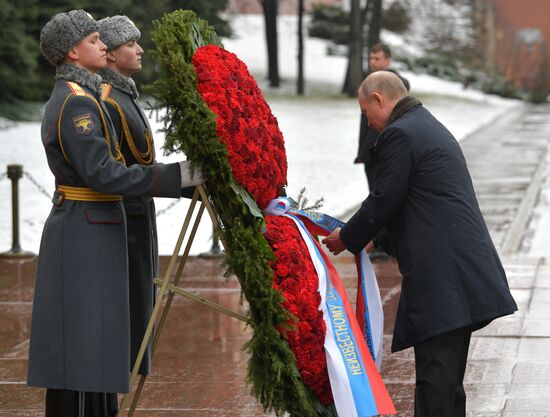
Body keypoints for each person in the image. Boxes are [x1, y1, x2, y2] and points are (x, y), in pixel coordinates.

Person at [27, 10, 204, 417]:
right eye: (93, 40)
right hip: (84, 228)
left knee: (97, 343)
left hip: (95, 227)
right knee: (83, 344)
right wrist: (175, 178)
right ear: (72, 52)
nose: (103, 45)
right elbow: (103, 173)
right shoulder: (75, 104)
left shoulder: (84, 95)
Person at [323, 71, 518, 417]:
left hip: (444, 276)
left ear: (380, 99)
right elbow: (417, 200)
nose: (368, 122)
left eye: (366, 112)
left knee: (436, 383)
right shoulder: (424, 125)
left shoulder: (400, 134)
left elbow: (384, 198)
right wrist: (374, 237)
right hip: (458, 270)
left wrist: (350, 238)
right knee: (447, 382)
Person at [97, 14, 166, 380]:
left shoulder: (123, 94)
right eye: (130, 45)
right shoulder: (108, 99)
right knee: (129, 310)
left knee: (142, 304)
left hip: (141, 212)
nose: (139, 50)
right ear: (109, 54)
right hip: (126, 217)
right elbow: (115, 168)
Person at [356, 43, 409, 259]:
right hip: (370, 151)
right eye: (371, 58)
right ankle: (380, 239)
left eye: (378, 59)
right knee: (376, 193)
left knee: (383, 195)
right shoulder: (369, 85)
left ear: (388, 60)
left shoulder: (391, 85)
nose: (373, 63)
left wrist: (350, 236)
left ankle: (383, 241)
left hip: (383, 150)